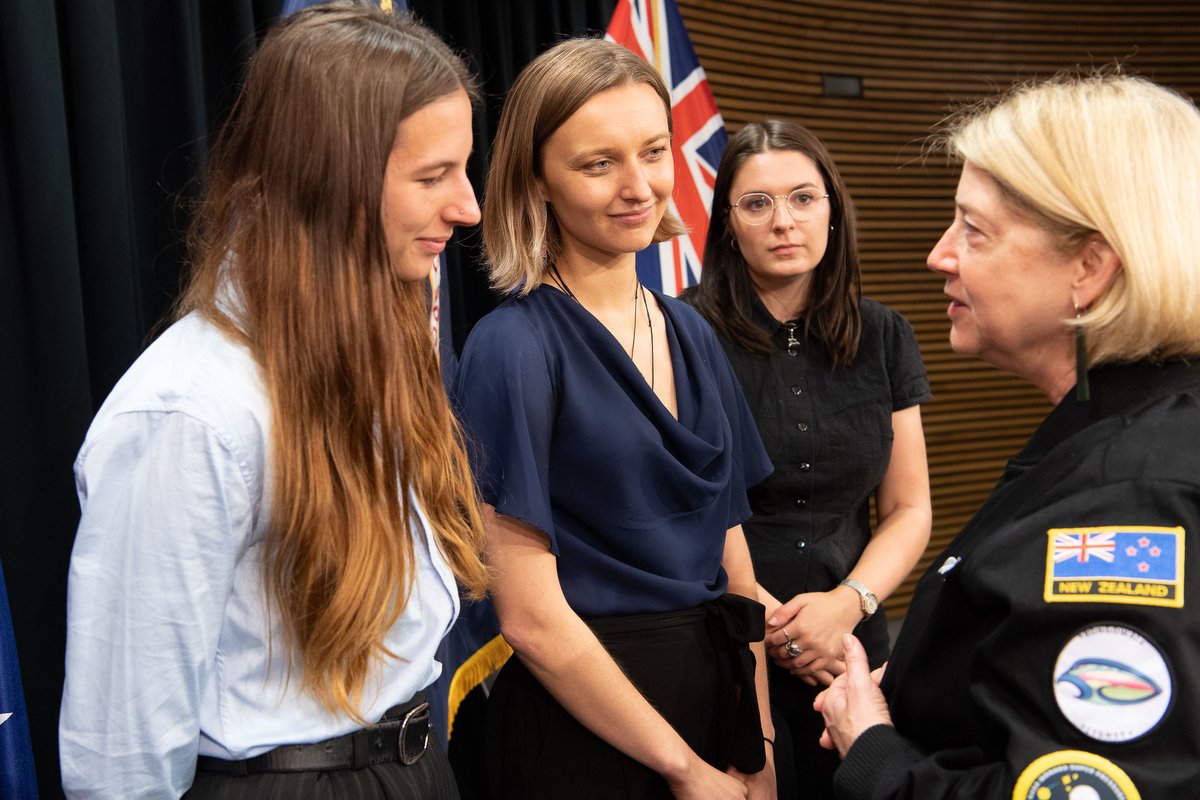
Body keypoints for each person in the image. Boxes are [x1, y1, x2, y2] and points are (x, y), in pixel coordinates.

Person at [58, 5, 488, 798]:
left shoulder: (378, 353)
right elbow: (123, 754)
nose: (469, 208)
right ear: (329, 180)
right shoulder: (189, 413)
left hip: (412, 770)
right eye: (433, 177)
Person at [816, 71, 1200, 799]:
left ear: (1089, 266)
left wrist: (870, 749)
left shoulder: (1131, 499)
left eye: (973, 229)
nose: (939, 255)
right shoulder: (1136, 431)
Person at [454, 38, 776, 800]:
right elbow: (529, 618)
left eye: (655, 152)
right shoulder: (513, 347)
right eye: (599, 164)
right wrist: (686, 772)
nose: (640, 187)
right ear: (536, 180)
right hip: (583, 728)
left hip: (715, 709)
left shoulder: (693, 331)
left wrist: (759, 752)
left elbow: (737, 575)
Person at [681, 120, 932, 798]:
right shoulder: (679, 332)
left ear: (832, 210)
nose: (783, 221)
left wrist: (846, 606)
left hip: (850, 655)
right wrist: (776, 623)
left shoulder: (885, 334)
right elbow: (677, 509)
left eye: (802, 198)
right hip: (723, 646)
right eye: (757, 203)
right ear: (729, 224)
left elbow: (909, 508)